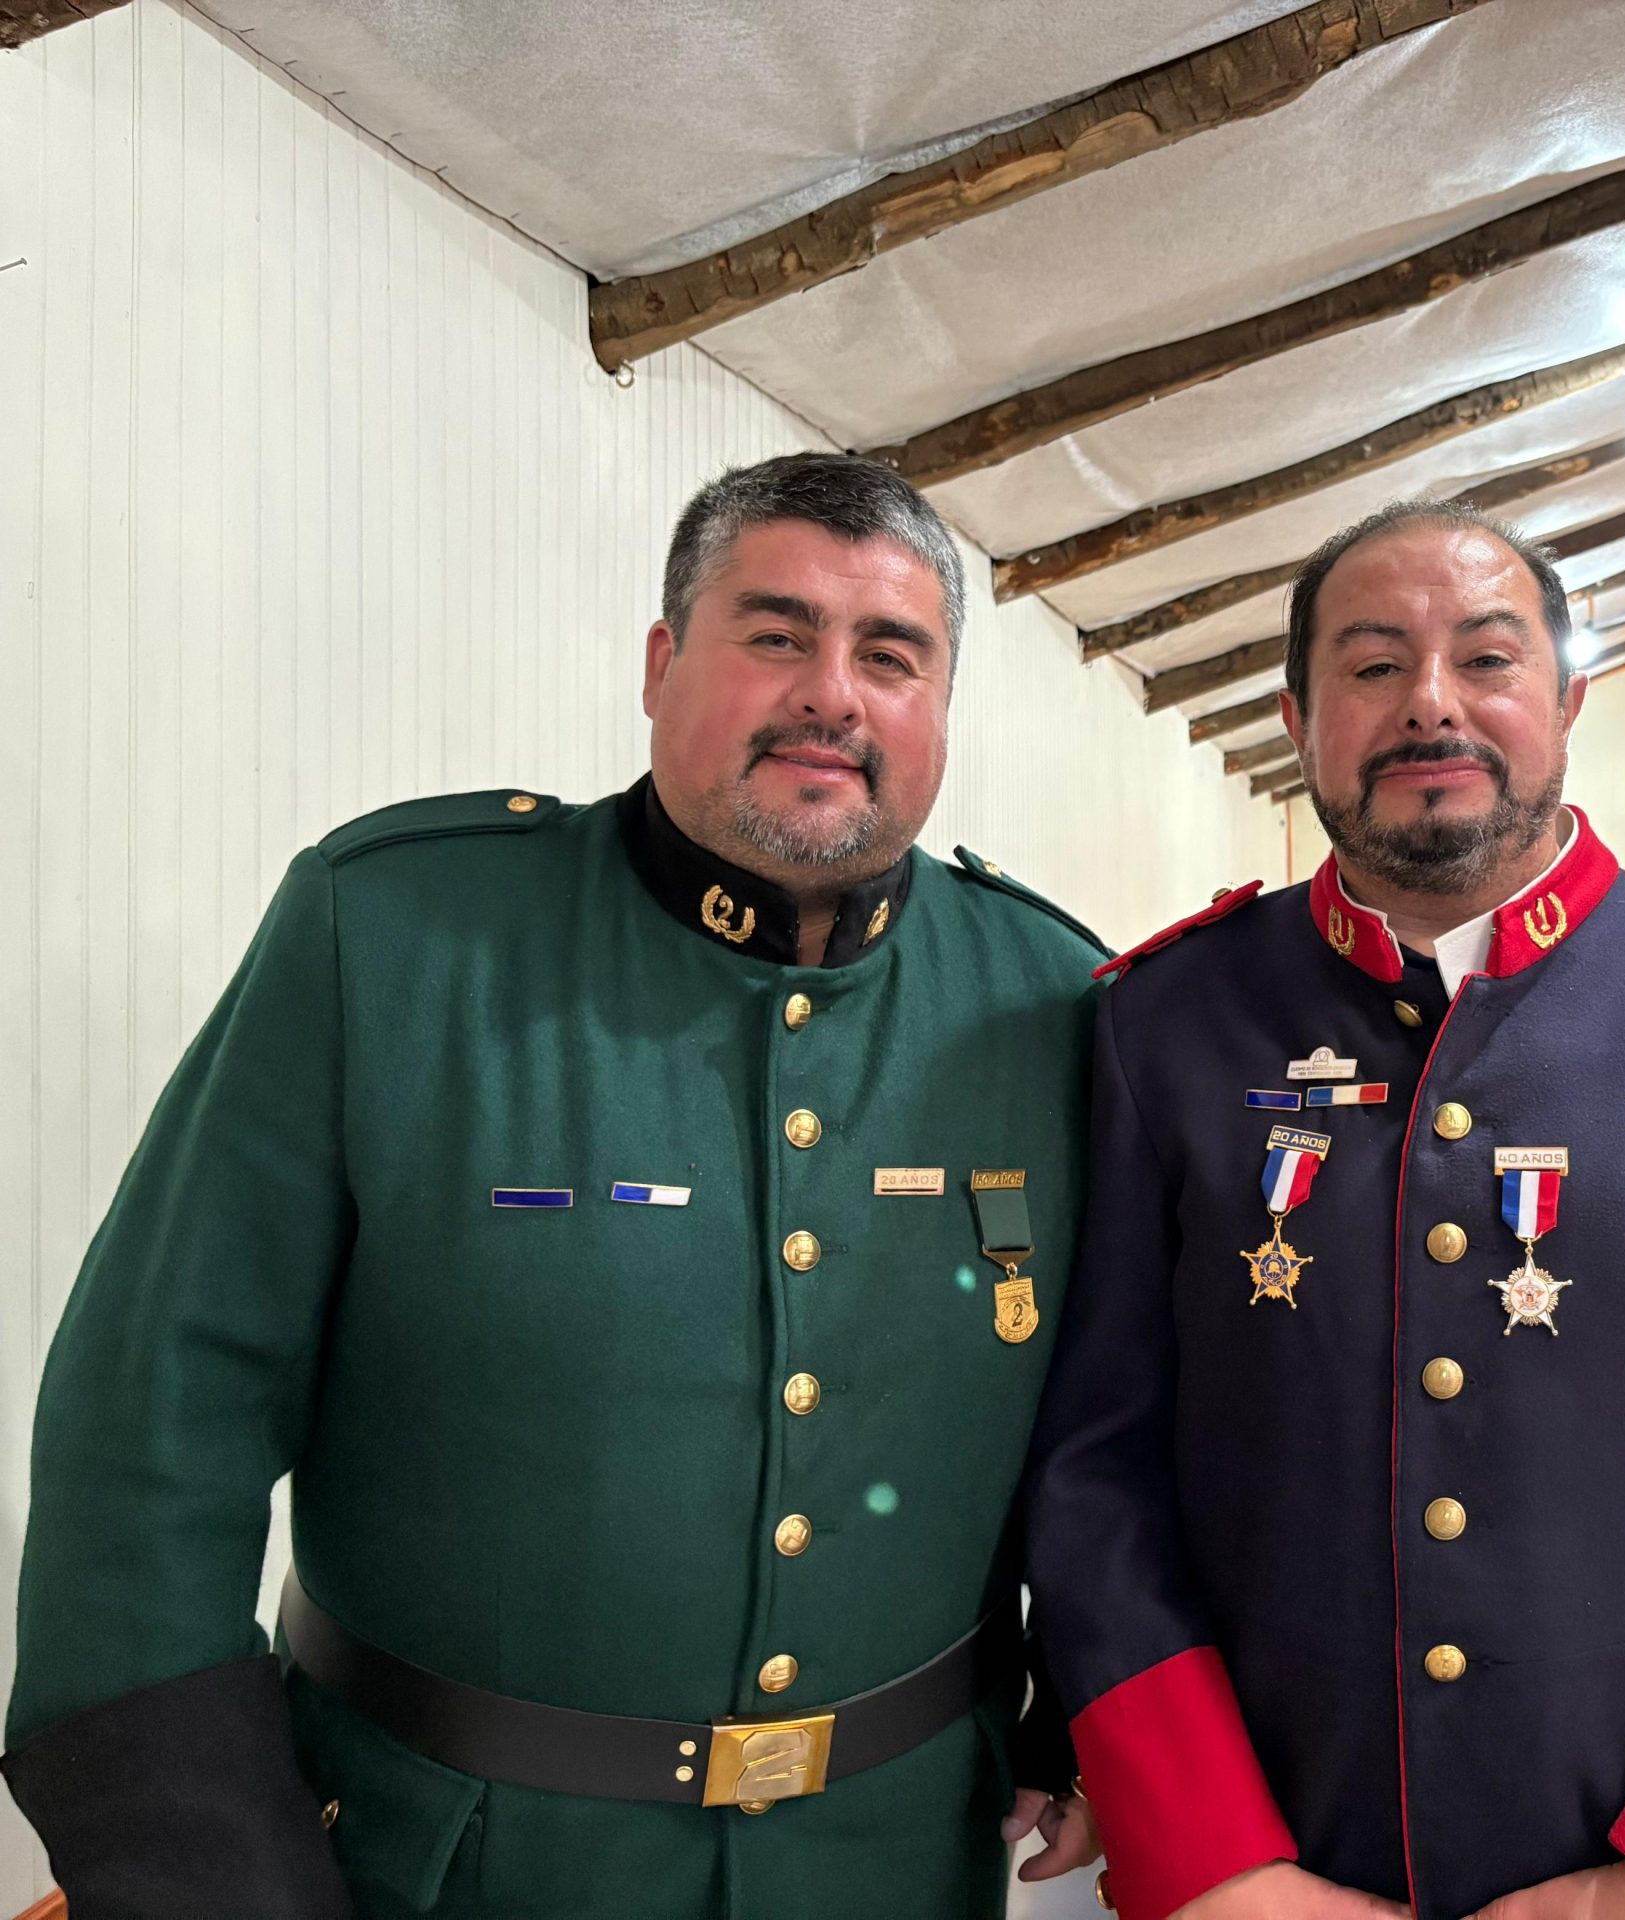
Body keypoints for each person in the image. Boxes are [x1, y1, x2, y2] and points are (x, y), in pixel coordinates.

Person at [3, 452, 1103, 1917]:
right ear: (662, 667)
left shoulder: (1052, 999)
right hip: (449, 1869)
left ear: (940, 707)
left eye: (889, 655)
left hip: (887, 1866)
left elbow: (1104, 1424)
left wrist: (1078, 1701)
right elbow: (148, 1439)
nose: (834, 693)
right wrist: (207, 1877)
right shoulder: (394, 940)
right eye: (775, 635)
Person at [1024, 501, 1625, 1920]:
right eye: (1373, 665)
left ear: (1570, 701)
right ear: (1297, 715)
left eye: (1487, 658)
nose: (1431, 707)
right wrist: (1212, 1862)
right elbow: (1100, 1471)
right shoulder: (1167, 1024)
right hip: (1279, 1868)